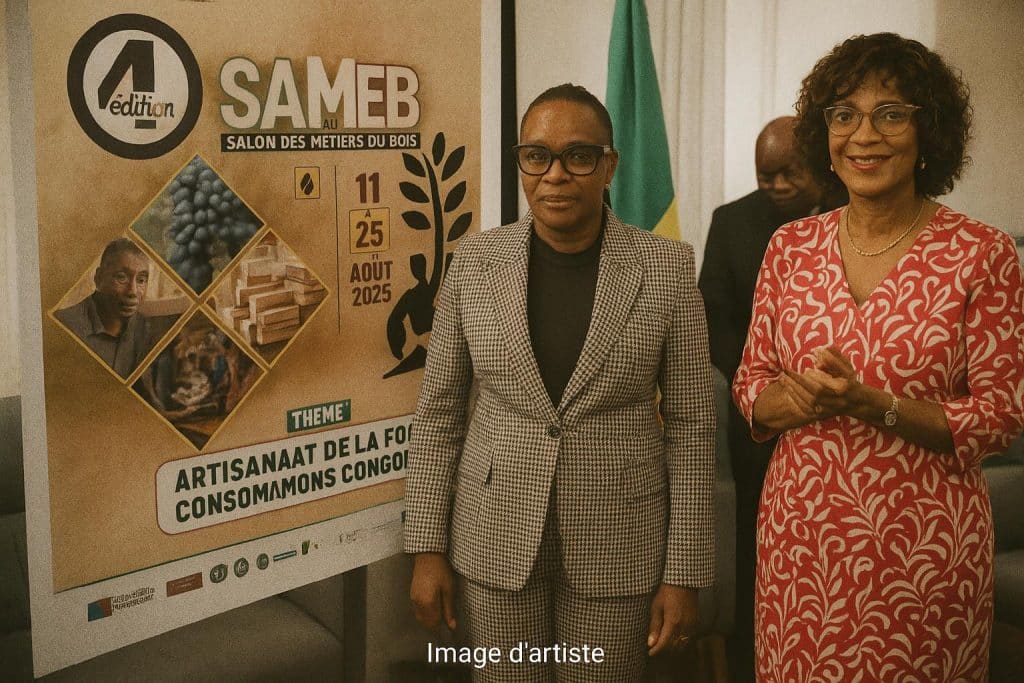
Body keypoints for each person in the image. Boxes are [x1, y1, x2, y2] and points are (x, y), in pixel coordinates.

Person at [733, 33, 1024, 681]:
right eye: (845, 114)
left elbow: (999, 417)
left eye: (890, 113)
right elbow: (752, 383)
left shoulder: (982, 253)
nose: (864, 135)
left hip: (923, 556)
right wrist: (793, 400)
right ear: (824, 133)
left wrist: (875, 405)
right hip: (800, 547)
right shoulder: (789, 247)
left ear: (929, 131)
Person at [404, 83, 716, 682]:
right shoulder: (474, 264)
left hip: (619, 543)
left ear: (609, 165)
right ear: (521, 162)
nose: (555, 175)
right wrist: (426, 548)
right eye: (536, 156)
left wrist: (684, 573)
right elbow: (438, 415)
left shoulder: (667, 269)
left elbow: (692, 428)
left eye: (578, 156)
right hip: (495, 536)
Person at [698, 117, 831, 682]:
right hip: (758, 416)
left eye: (787, 173)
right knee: (758, 550)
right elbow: (714, 317)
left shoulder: (852, 211)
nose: (775, 185)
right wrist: (764, 383)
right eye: (764, 174)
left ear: (818, 164)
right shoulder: (731, 222)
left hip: (840, 418)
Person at [54, 238, 151, 378]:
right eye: (121, 277)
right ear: (98, 278)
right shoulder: (63, 325)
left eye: (141, 280)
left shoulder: (144, 328)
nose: (133, 291)